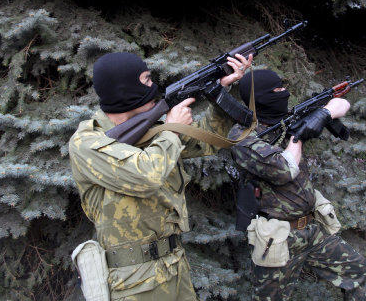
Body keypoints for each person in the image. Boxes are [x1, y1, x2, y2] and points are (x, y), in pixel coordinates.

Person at [69, 51, 252, 301]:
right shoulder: (87, 143)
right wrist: (172, 131)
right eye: (145, 80)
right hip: (134, 281)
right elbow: (146, 176)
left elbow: (207, 141)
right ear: (124, 88)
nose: (153, 87)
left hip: (174, 266)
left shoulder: (153, 130)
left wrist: (221, 90)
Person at [228, 69, 366, 301]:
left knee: (358, 271)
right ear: (262, 97)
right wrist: (299, 136)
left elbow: (341, 104)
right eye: (277, 90)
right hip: (277, 237)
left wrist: (324, 113)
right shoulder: (242, 137)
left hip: (312, 230)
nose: (284, 92)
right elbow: (284, 170)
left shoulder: (286, 118)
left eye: (283, 87)